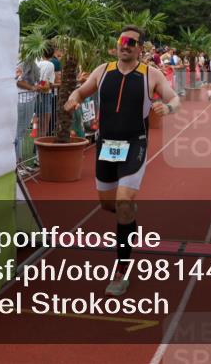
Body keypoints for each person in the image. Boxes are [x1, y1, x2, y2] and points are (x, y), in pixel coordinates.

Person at [64, 25, 179, 297]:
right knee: (108, 205)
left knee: (123, 201)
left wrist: (168, 107)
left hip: (134, 145)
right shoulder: (102, 71)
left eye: (131, 42)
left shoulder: (150, 74)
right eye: (121, 40)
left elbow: (175, 99)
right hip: (106, 145)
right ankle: (129, 220)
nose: (125, 45)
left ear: (140, 49)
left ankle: (122, 270)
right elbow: (81, 92)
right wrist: (74, 98)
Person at [15, 55, 41, 161]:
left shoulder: (27, 61)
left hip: (26, 99)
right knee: (19, 133)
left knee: (20, 132)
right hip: (23, 100)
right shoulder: (21, 61)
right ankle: (18, 162)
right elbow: (18, 81)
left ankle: (18, 162)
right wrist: (33, 88)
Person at [35, 47, 56, 137]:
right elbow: (49, 83)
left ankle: (36, 148)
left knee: (39, 123)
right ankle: (39, 149)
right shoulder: (50, 64)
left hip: (35, 94)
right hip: (44, 95)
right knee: (44, 124)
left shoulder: (37, 63)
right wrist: (44, 84)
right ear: (52, 54)